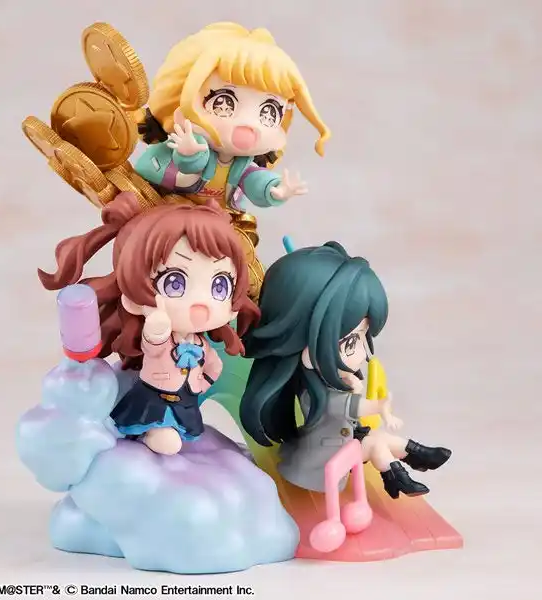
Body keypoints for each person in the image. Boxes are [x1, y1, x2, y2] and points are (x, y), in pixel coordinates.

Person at [39, 193, 260, 455]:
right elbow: (153, 345)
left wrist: (201, 383)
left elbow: (214, 366)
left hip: (185, 400)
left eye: (220, 285)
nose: (202, 302)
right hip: (155, 399)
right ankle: (146, 435)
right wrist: (157, 328)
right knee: (166, 441)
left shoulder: (201, 344)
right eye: (174, 283)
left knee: (181, 437)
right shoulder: (162, 335)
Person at [239, 242, 451, 499]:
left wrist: (350, 381)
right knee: (376, 445)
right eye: (350, 342)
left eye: (363, 336)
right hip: (321, 459)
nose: (362, 353)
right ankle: (399, 475)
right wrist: (380, 405)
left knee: (379, 440)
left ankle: (416, 458)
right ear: (303, 346)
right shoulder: (313, 393)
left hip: (341, 443)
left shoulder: (327, 379)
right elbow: (350, 407)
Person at [135, 22, 330, 213]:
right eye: (223, 102)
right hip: (161, 202)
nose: (249, 124)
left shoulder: (241, 164)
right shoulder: (191, 142)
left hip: (214, 215)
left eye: (268, 112)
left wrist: (274, 189)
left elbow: (254, 179)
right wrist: (189, 154)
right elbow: (189, 164)